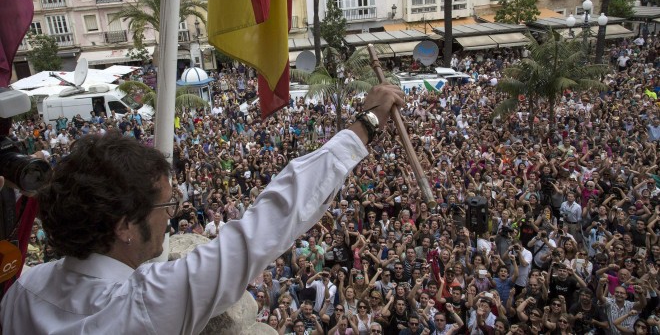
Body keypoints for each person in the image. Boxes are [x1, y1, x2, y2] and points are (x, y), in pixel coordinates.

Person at [0, 84, 405, 333]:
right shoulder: (143, 304)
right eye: (163, 205)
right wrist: (364, 125)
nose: (169, 215)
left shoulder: (22, 289)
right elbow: (270, 221)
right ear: (124, 225)